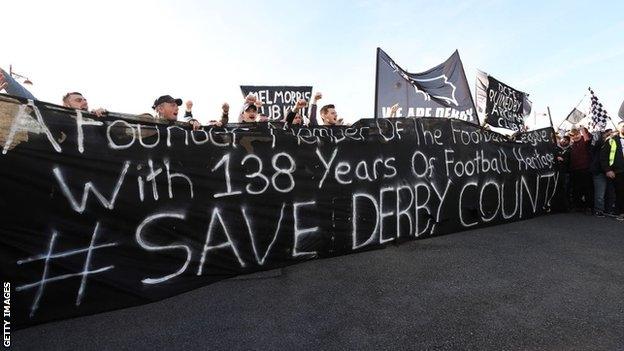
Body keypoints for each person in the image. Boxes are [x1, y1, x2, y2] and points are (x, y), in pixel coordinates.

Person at [600, 120, 624, 221]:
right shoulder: (611, 140)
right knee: (621, 193)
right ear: (618, 128)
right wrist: (608, 170)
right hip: (618, 171)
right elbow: (603, 157)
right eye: (622, 126)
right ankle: (621, 213)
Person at [568, 127, 593, 213]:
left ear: (580, 134)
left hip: (585, 169)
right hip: (575, 170)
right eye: (573, 135)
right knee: (576, 189)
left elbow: (588, 138)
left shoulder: (584, 141)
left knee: (587, 189)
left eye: (577, 134)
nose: (575, 136)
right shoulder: (572, 145)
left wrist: (582, 130)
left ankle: (588, 207)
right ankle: (578, 206)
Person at [590, 129, 614, 217]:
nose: (610, 135)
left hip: (611, 170)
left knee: (610, 192)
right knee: (600, 192)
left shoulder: (613, 142)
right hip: (599, 171)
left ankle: (608, 209)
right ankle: (598, 210)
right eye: (608, 133)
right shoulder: (598, 143)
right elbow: (593, 147)